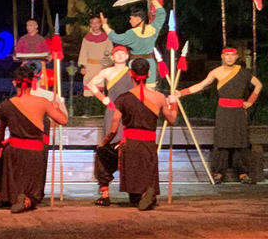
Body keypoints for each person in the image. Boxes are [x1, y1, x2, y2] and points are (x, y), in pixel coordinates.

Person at [175, 47, 263, 184]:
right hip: (223, 111)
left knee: (241, 141)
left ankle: (243, 173)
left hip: (239, 111)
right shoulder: (216, 72)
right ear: (222, 56)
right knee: (221, 141)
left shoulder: (243, 72)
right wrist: (181, 93)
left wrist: (250, 101)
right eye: (227, 55)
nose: (230, 58)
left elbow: (258, 85)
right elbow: (201, 85)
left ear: (236, 56)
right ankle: (217, 173)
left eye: (232, 55)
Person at [101, 58, 177, 211]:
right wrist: (174, 102)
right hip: (149, 144)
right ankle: (147, 192)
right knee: (147, 171)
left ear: (130, 73)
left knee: (107, 156)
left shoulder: (122, 99)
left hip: (130, 144)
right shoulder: (159, 98)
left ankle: (139, 194)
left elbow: (113, 128)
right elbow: (172, 120)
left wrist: (105, 142)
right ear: (148, 74)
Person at [0, 64, 68, 213]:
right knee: (32, 194)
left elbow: (0, 134)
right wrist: (56, 106)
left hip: (13, 153)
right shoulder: (43, 102)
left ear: (14, 82)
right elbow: (63, 120)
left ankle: (3, 194)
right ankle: (26, 201)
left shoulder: (6, 105)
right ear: (33, 82)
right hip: (34, 153)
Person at [87, 45, 134, 205]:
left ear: (127, 56)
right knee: (109, 146)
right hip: (112, 110)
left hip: (128, 112)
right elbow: (91, 84)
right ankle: (105, 193)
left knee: (127, 147)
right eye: (117, 53)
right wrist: (103, 99)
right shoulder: (107, 72)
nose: (120, 55)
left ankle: (133, 191)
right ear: (112, 57)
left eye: (123, 53)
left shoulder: (131, 72)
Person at [100, 0, 165, 88]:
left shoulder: (132, 33)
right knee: (150, 89)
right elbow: (161, 14)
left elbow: (116, 38)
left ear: (138, 19)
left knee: (135, 90)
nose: (130, 21)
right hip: (150, 64)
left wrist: (105, 26)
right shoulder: (153, 29)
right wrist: (153, 0)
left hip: (135, 64)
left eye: (131, 18)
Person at [78, 16, 113, 96]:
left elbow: (110, 51)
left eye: (97, 22)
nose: (95, 25)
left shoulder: (106, 38)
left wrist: (107, 65)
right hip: (90, 67)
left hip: (102, 67)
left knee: (101, 89)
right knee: (89, 86)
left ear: (100, 24)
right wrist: (83, 66)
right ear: (90, 25)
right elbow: (83, 52)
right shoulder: (86, 39)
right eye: (93, 23)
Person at [14, 19, 52, 89]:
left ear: (36, 26)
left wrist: (48, 57)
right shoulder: (23, 39)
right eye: (27, 26)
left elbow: (46, 52)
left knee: (40, 86)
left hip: (39, 65)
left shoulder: (41, 39)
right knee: (25, 85)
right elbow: (18, 52)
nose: (28, 27)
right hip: (26, 65)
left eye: (31, 25)